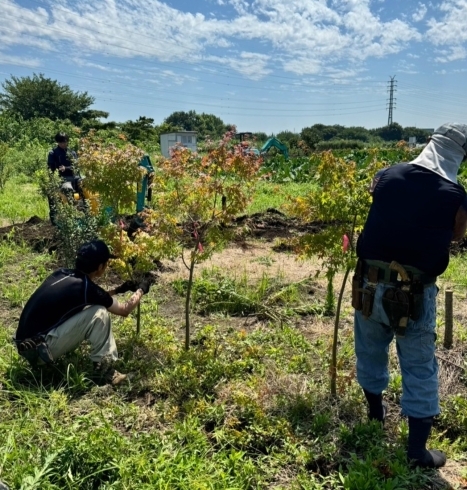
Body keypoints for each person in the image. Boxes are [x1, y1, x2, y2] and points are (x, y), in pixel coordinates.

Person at [353, 123, 467, 469]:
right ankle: (417, 451)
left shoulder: (387, 175)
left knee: (369, 350)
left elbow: (381, 202)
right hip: (415, 291)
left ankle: (375, 417)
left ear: (431, 143)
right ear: (459, 156)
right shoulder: (455, 194)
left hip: (369, 283)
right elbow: (458, 236)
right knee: (418, 365)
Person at [14, 240, 151, 385]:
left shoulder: (62, 274)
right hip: (39, 350)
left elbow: (91, 297)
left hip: (25, 344)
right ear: (100, 267)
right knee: (99, 313)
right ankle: (105, 372)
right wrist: (141, 289)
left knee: (89, 309)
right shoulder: (86, 287)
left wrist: (118, 290)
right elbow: (124, 310)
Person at [47, 132, 81, 224]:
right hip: (62, 178)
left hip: (75, 177)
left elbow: (77, 166)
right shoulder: (53, 153)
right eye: (61, 142)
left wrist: (66, 168)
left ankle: (85, 211)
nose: (63, 144)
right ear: (58, 142)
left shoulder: (72, 153)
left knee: (85, 187)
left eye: (65, 142)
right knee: (67, 189)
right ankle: (64, 216)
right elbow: (51, 168)